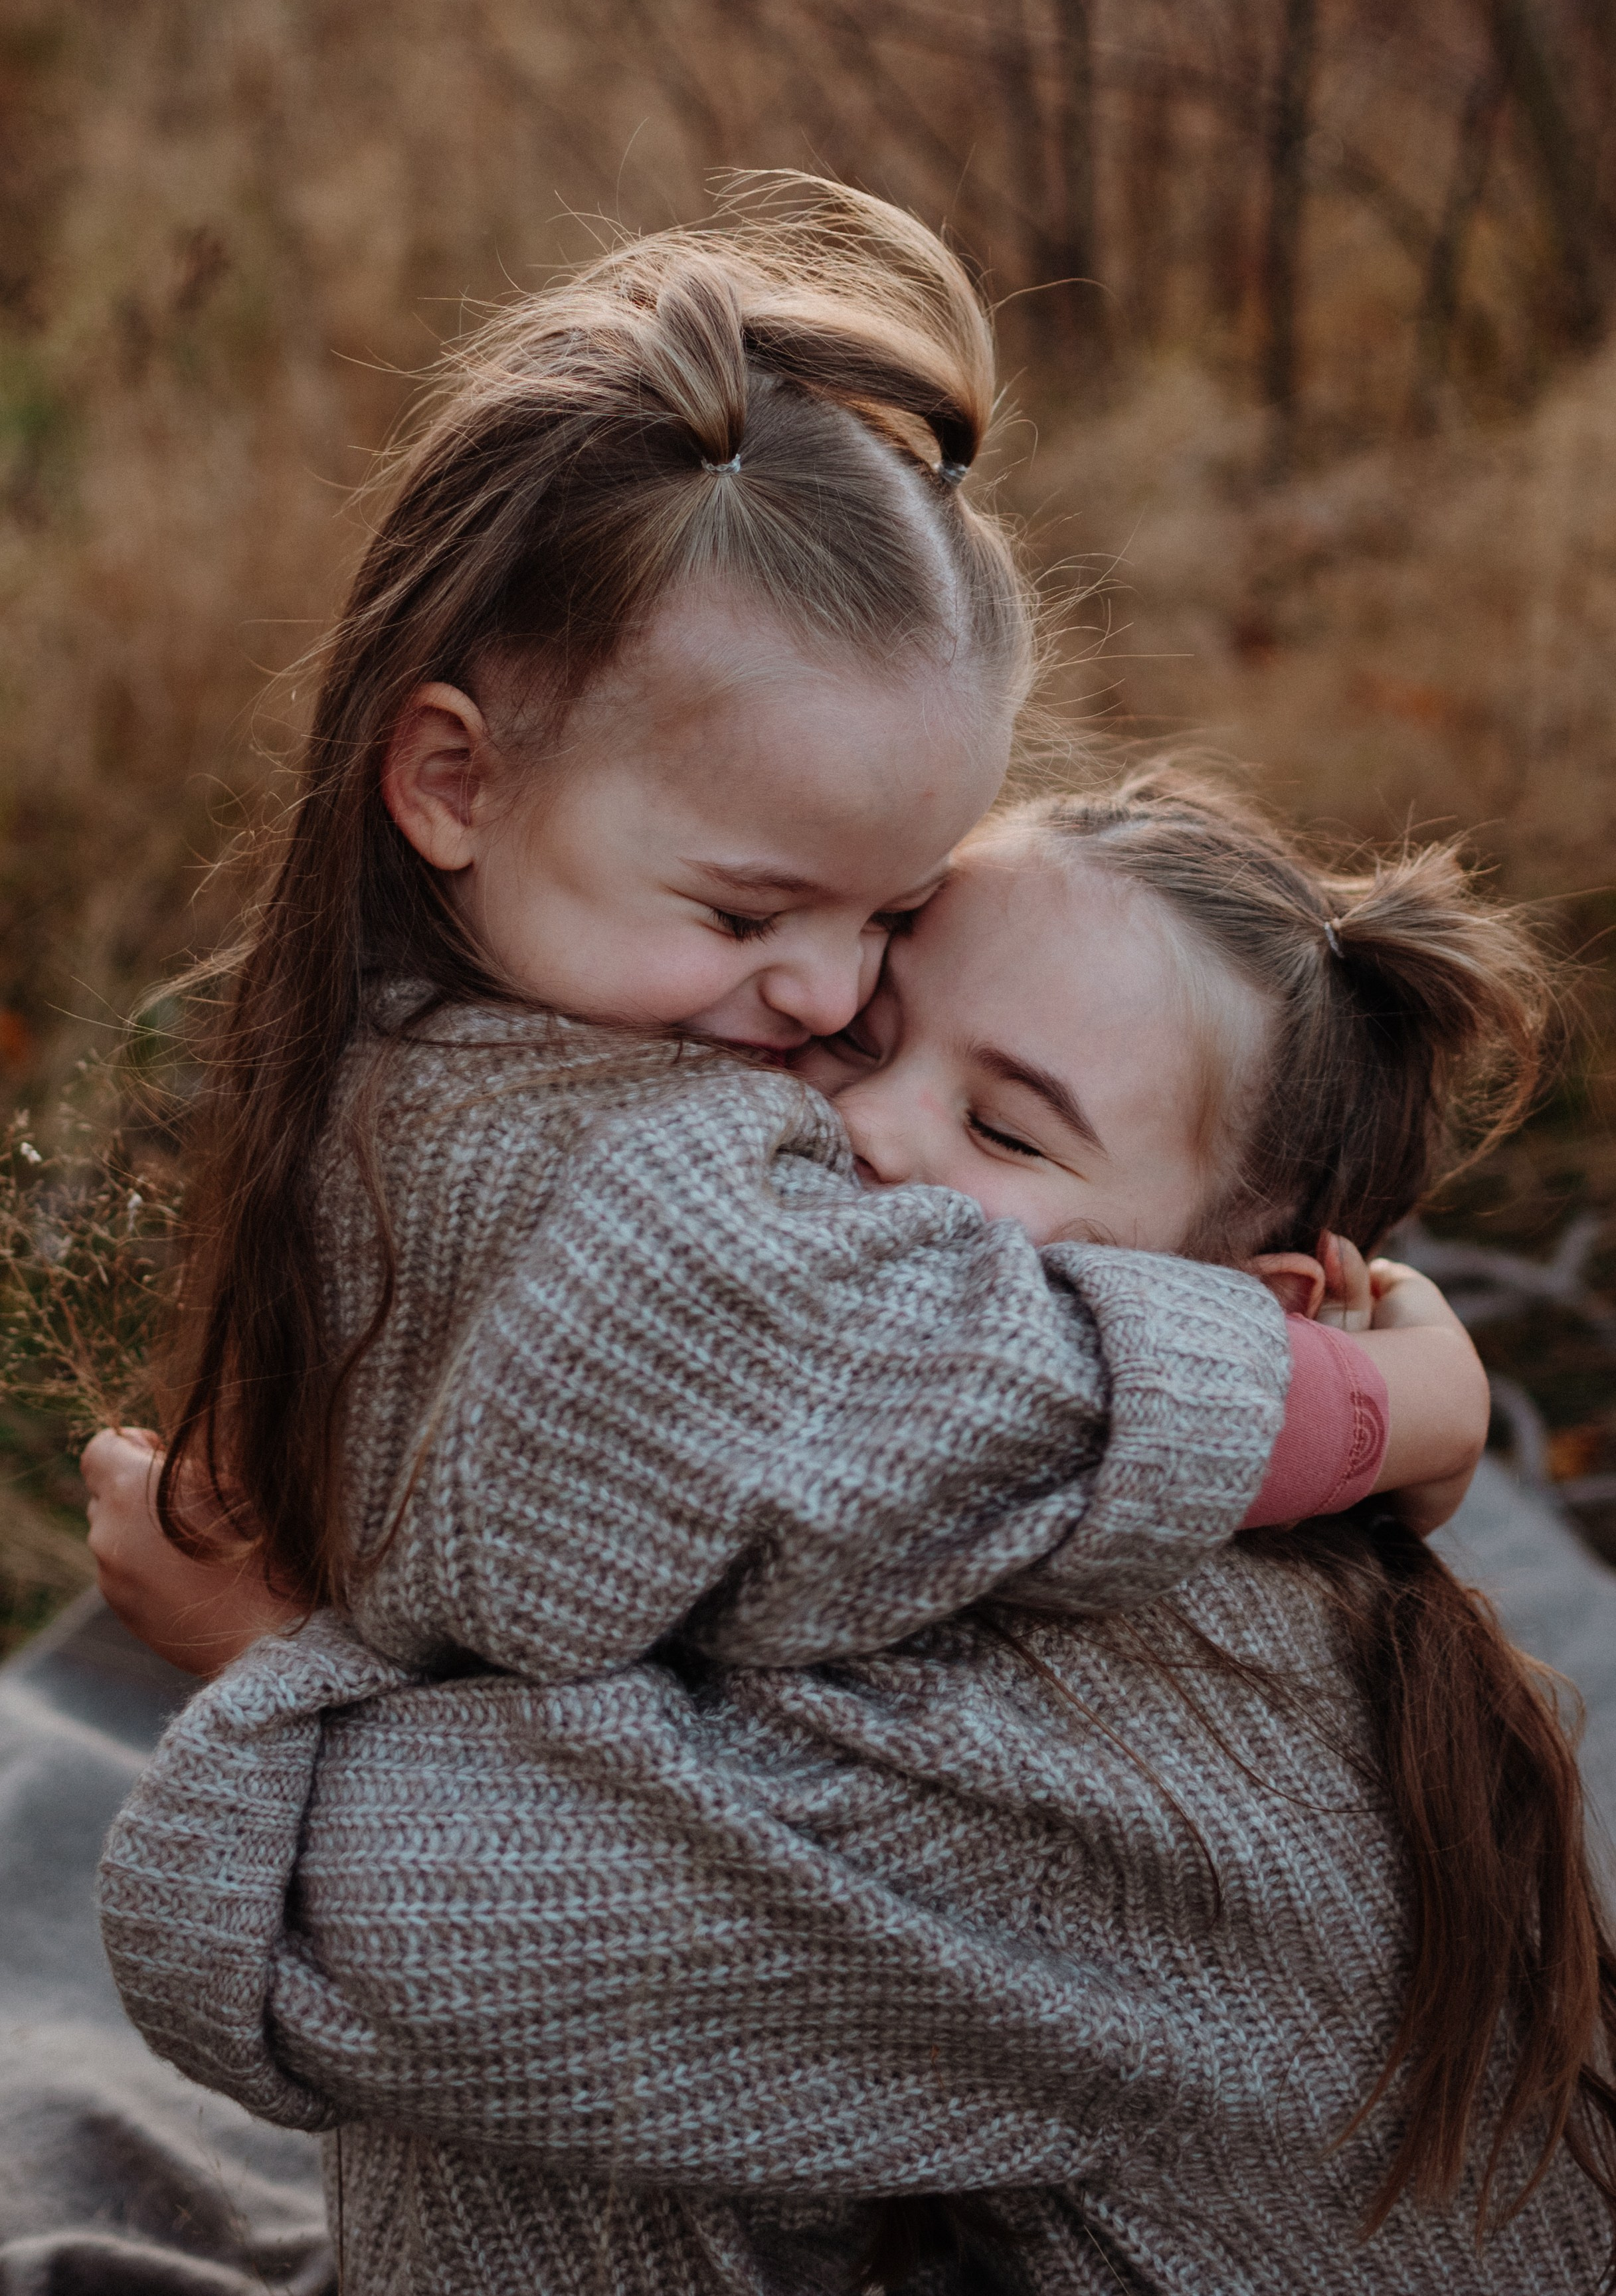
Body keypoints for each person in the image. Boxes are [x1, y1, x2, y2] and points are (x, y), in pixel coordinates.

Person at [98, 773, 1615, 2293]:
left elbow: (362, 1924)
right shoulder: (933, 1488)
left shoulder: (1126, 1756)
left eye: (1006, 1131)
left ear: (1253, 1312)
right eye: (854, 1037)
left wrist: (261, 1643)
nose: (859, 1128)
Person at [80, 176, 1476, 1692]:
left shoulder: (440, 1032)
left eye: (887, 912)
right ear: (452, 781)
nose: (823, 992)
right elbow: (962, 1382)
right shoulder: (640, 1196)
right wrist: (1396, 1407)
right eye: (745, 909)